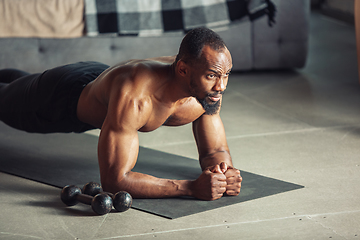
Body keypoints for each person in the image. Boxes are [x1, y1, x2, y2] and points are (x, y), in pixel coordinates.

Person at [0, 27, 242, 201]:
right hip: (61, 97)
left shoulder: (205, 90)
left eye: (226, 75)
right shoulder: (136, 98)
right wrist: (189, 188)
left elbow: (213, 151)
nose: (221, 86)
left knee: (18, 83)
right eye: (212, 76)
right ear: (182, 69)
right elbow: (115, 180)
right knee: (6, 101)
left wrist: (223, 173)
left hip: (101, 81)